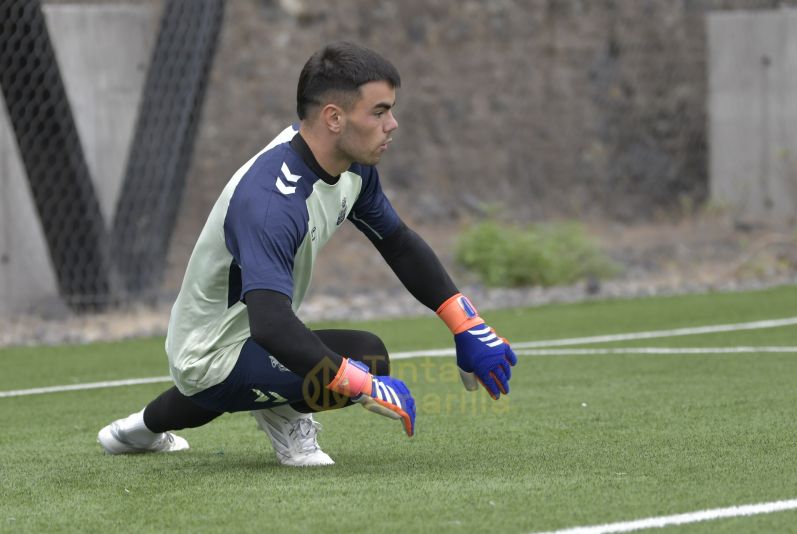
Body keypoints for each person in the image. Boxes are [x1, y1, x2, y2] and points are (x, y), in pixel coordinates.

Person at [97, 41, 517, 467]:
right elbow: (272, 325)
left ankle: (136, 431)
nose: (392, 124)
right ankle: (284, 412)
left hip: (248, 342)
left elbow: (398, 242)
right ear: (334, 117)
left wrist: (466, 324)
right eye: (379, 111)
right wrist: (362, 385)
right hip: (210, 354)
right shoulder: (271, 202)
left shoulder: (352, 168)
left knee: (358, 352)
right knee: (365, 364)